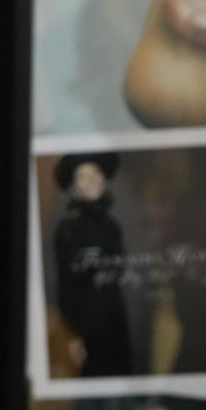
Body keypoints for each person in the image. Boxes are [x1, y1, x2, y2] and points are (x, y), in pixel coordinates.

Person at [52, 153, 133, 377]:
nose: (91, 180)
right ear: (73, 186)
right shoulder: (68, 228)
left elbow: (119, 274)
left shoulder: (112, 226)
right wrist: (72, 335)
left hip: (116, 319)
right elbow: (65, 285)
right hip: (87, 325)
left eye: (95, 172)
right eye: (82, 176)